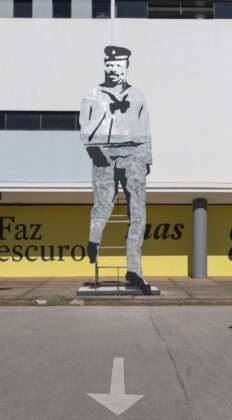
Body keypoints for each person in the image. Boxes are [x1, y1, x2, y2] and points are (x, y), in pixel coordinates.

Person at [79, 46, 152, 295]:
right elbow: (84, 128)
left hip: (133, 157)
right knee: (102, 206)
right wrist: (95, 151)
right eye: (110, 64)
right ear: (104, 65)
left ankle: (134, 270)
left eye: (119, 64)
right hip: (105, 155)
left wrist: (146, 159)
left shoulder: (138, 95)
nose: (113, 69)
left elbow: (145, 129)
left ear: (126, 66)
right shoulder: (93, 95)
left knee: (138, 215)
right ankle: (94, 241)